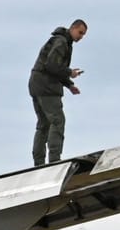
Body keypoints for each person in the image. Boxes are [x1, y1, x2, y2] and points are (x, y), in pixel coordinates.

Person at [28, 19, 87, 166]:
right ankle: (54, 160)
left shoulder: (59, 41)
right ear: (73, 28)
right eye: (80, 33)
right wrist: (69, 72)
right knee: (57, 121)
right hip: (47, 87)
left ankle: (39, 163)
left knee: (43, 124)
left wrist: (69, 84)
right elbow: (52, 65)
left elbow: (53, 67)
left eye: (83, 35)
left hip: (36, 85)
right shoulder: (61, 42)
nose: (81, 37)